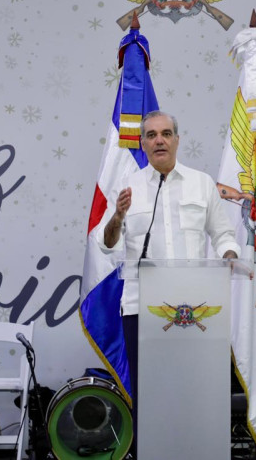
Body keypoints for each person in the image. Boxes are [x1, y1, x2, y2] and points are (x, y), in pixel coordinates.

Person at [95, 110, 240, 458]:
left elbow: (223, 234)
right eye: (151, 135)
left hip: (195, 310)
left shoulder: (201, 183)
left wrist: (230, 255)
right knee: (150, 396)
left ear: (177, 139)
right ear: (143, 144)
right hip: (143, 309)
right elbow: (107, 243)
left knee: (195, 392)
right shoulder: (127, 187)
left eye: (165, 133)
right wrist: (117, 216)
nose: (159, 140)